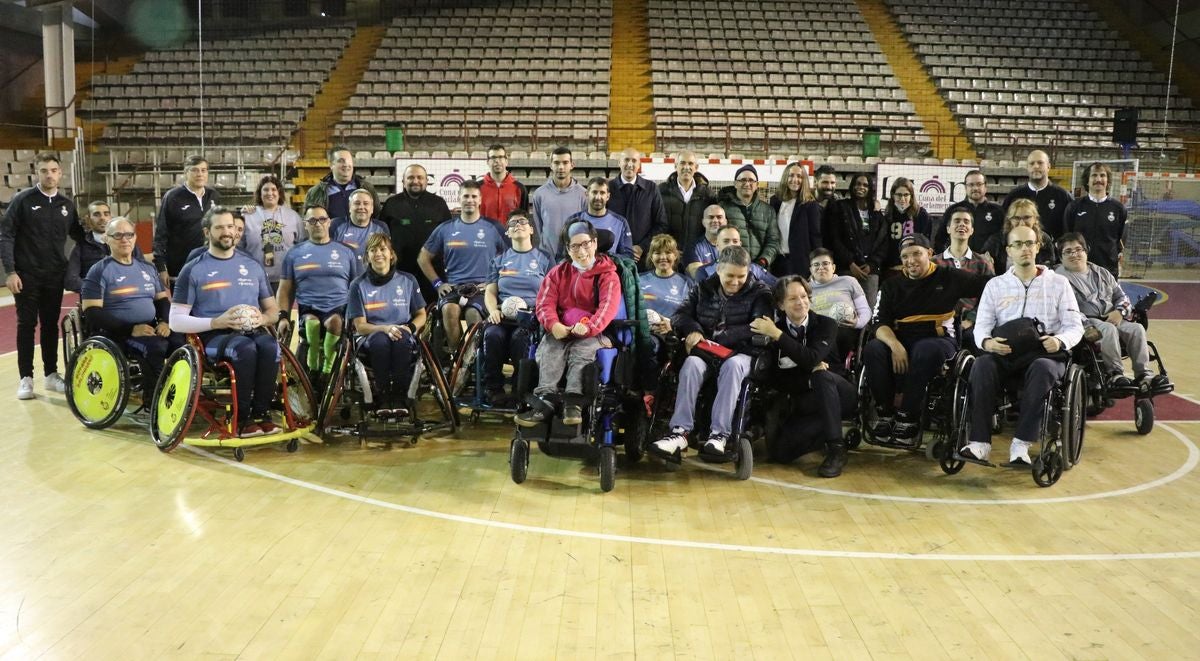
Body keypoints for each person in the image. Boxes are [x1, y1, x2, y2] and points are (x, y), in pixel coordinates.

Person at [965, 225, 1083, 464]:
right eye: (1017, 244)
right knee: (981, 366)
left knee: (1042, 368)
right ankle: (979, 444)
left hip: (1045, 355)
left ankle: (1021, 445)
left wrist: (1059, 340)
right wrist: (987, 342)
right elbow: (982, 326)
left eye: (1029, 243)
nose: (1024, 249)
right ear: (1008, 250)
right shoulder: (995, 285)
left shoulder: (1059, 283)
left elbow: (1075, 327)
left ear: (1038, 246)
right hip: (1006, 354)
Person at [863, 233, 990, 446]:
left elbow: (989, 285)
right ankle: (885, 413)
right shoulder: (891, 285)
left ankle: (908, 416)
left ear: (929, 254)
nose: (911, 261)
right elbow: (878, 322)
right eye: (905, 256)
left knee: (924, 349)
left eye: (917, 254)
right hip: (900, 339)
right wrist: (895, 346)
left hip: (938, 339)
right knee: (873, 349)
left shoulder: (949, 276)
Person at [649, 245, 773, 460]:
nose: (735, 282)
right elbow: (680, 316)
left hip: (743, 353)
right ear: (718, 269)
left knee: (732, 366)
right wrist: (694, 330)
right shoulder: (702, 288)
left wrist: (720, 338)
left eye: (741, 276)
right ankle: (680, 432)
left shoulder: (760, 292)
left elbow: (759, 326)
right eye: (730, 276)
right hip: (707, 352)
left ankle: (720, 434)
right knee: (691, 364)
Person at [169, 206, 281, 437]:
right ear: (207, 232)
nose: (227, 232)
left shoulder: (252, 266)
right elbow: (175, 321)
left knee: (270, 346)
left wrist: (263, 318)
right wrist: (216, 322)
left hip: (251, 331)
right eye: (219, 227)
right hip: (213, 336)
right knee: (245, 349)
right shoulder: (193, 269)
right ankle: (241, 418)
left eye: (230, 226)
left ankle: (261, 414)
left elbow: (273, 310)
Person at [516, 221, 623, 427]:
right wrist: (553, 325)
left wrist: (589, 327)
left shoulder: (608, 275)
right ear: (567, 248)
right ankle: (545, 400)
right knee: (550, 347)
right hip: (562, 330)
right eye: (574, 246)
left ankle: (573, 403)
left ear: (595, 243)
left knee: (582, 349)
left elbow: (607, 308)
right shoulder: (557, 273)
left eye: (585, 244)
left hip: (595, 333)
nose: (581, 251)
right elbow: (544, 304)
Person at [751, 276, 857, 477]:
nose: (800, 302)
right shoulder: (774, 331)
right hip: (806, 402)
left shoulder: (826, 325)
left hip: (840, 393)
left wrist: (778, 336)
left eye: (804, 296)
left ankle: (837, 449)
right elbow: (775, 379)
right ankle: (829, 432)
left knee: (822, 376)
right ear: (781, 304)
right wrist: (807, 377)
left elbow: (811, 358)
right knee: (780, 453)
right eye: (792, 299)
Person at [1, 152, 78, 399]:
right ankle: (26, 378)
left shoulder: (67, 205)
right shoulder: (23, 200)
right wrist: (10, 271)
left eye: (53, 170)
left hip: (55, 276)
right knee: (26, 325)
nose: (49, 175)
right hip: (27, 276)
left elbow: (80, 236)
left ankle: (51, 375)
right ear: (38, 173)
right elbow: (6, 235)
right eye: (44, 170)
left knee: (49, 326)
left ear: (60, 173)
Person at [80, 217, 178, 403]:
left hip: (149, 328)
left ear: (135, 238)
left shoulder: (147, 268)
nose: (124, 239)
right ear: (106, 239)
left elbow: (162, 301)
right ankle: (155, 401)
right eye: (117, 235)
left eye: (128, 235)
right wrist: (131, 329)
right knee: (155, 347)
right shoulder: (99, 270)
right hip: (118, 333)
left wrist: (165, 321)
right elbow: (92, 312)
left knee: (180, 341)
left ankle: (180, 393)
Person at [1055, 232, 1168, 391]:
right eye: (1068, 251)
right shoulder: (1058, 279)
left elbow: (1122, 297)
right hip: (1086, 320)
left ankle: (1144, 375)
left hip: (1113, 316)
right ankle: (1115, 374)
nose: (1074, 254)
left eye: (1078, 249)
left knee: (1137, 329)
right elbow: (1067, 309)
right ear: (1061, 257)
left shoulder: (1102, 273)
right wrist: (1087, 326)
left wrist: (1120, 312)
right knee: (1108, 330)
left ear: (1086, 251)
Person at [418, 179, 507, 353]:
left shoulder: (493, 228)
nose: (470, 200)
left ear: (480, 200)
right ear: (459, 198)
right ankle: (456, 358)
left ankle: (473, 360)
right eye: (466, 196)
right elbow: (423, 258)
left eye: (474, 196)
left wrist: (493, 283)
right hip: (454, 287)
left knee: (473, 314)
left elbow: (509, 259)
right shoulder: (445, 228)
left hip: (482, 288)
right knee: (449, 310)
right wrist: (437, 283)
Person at [347, 233, 428, 417]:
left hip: (402, 332)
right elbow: (360, 326)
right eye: (373, 250)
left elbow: (421, 314)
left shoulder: (408, 280)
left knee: (401, 340)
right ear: (367, 256)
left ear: (391, 254)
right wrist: (384, 328)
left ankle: (400, 397)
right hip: (370, 335)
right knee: (381, 342)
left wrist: (411, 328)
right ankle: (383, 396)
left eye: (383, 249)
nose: (378, 254)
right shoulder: (357, 285)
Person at [275, 205, 360, 379]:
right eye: (312, 220)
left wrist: (358, 316)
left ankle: (327, 373)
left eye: (322, 219)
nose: (318, 224)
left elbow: (357, 288)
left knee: (335, 322)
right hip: (309, 308)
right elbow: (284, 290)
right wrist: (283, 316)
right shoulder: (294, 254)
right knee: (312, 324)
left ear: (329, 222)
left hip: (338, 308)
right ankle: (312, 368)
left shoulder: (346, 252)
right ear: (305, 225)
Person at [481, 209, 553, 405]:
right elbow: (490, 292)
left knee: (520, 339)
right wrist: (493, 310)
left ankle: (519, 390)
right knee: (492, 335)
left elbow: (552, 293)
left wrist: (540, 313)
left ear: (531, 229)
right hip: (503, 316)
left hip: (530, 317)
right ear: (507, 233)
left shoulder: (545, 258)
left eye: (522, 222)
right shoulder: (499, 259)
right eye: (512, 224)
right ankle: (493, 389)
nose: (518, 225)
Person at [380, 163, 452, 304]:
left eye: (420, 177)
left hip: (432, 273)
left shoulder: (439, 204)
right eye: (411, 177)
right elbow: (382, 236)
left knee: (432, 311)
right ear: (403, 181)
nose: (416, 181)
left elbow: (448, 236)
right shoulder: (391, 204)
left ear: (427, 181)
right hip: (400, 271)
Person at [932, 207, 995, 351]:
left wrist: (971, 320)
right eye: (957, 221)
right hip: (941, 324)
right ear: (948, 229)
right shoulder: (933, 263)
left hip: (973, 325)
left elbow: (991, 298)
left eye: (966, 222)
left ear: (972, 230)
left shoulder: (983, 263)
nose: (962, 224)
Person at [153, 155, 219, 288]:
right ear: (185, 173)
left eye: (203, 170)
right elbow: (161, 233)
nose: (199, 174)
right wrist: (161, 267)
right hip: (180, 267)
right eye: (194, 170)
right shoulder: (172, 197)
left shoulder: (214, 195)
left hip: (210, 265)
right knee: (183, 308)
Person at [822, 172, 886, 308]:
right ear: (852, 186)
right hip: (846, 269)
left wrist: (872, 264)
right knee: (844, 312)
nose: (861, 187)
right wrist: (850, 262)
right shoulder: (840, 207)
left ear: (870, 189)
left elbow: (883, 242)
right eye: (858, 184)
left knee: (867, 312)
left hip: (870, 272)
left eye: (865, 185)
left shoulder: (876, 212)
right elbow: (835, 238)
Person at [807, 248, 871, 375]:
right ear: (810, 270)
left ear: (834, 267)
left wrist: (856, 323)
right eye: (816, 264)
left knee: (832, 333)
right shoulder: (805, 288)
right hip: (816, 333)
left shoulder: (848, 281)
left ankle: (835, 373)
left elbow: (865, 310)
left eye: (825, 263)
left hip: (845, 329)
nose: (821, 267)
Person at [240, 175, 304, 291]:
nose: (270, 193)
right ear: (260, 193)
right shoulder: (248, 216)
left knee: (282, 309)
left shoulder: (293, 216)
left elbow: (303, 245)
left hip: (286, 278)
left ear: (279, 193)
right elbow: (239, 247)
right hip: (254, 278)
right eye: (265, 190)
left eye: (273, 189)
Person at [67, 200, 146, 293]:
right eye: (97, 214)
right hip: (94, 301)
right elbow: (71, 281)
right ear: (88, 219)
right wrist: (97, 290)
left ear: (111, 217)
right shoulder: (80, 247)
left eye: (106, 214)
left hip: (125, 298)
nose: (102, 218)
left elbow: (143, 272)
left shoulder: (127, 243)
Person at [1064, 162, 1127, 277]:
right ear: (1087, 181)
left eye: (1102, 175)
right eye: (1094, 175)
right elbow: (1067, 236)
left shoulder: (1118, 208)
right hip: (1078, 269)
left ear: (1108, 181)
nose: (1098, 179)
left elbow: (1119, 239)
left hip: (1108, 270)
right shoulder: (1074, 207)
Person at [607, 148, 667, 261]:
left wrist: (642, 247)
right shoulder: (607, 189)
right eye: (626, 160)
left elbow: (661, 224)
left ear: (639, 165)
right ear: (619, 163)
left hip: (643, 259)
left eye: (634, 161)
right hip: (614, 258)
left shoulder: (651, 189)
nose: (630, 164)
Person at [530, 146, 587, 260]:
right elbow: (539, 227)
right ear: (551, 165)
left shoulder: (583, 194)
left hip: (574, 258)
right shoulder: (539, 194)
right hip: (547, 257)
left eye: (565, 162)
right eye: (556, 163)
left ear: (572, 165)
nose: (561, 167)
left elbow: (585, 228)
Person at [719, 164, 780, 268]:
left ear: (757, 185)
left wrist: (763, 261)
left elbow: (773, 240)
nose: (747, 183)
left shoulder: (768, 210)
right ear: (735, 184)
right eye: (743, 180)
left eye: (751, 180)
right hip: (731, 266)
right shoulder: (723, 208)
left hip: (760, 268)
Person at [1002, 149, 1073, 239]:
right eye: (1032, 163)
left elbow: (1070, 229)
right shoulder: (1014, 196)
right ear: (1027, 168)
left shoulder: (1063, 196)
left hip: (1053, 251)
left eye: (1040, 163)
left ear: (1048, 166)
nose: (1036, 166)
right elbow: (1004, 226)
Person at [769, 161, 822, 277]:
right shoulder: (775, 201)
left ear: (804, 180)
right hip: (778, 261)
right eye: (791, 175)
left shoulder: (810, 205)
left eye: (799, 176)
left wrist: (816, 264)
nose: (795, 179)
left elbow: (815, 236)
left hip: (800, 263)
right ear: (785, 178)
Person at [562, 177, 634, 260]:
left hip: (609, 270)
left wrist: (606, 258)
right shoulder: (573, 221)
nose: (598, 197)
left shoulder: (620, 222)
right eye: (594, 192)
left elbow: (628, 256)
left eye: (602, 193)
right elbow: (564, 253)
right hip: (580, 271)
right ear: (587, 194)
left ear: (608, 196)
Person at [303, 145, 378, 222]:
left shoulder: (367, 188)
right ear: (331, 165)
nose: (346, 164)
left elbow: (376, 216)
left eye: (349, 161)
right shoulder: (316, 193)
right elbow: (309, 221)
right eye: (341, 161)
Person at [658, 150, 713, 252]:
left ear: (696, 168)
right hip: (668, 252)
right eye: (682, 163)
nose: (686, 167)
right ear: (675, 166)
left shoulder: (707, 194)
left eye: (690, 164)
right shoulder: (661, 191)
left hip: (697, 253)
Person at [981, 199, 1056, 273]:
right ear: (1009, 220)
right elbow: (985, 266)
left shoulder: (1044, 239)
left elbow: (1048, 268)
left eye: (1027, 217)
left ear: (1035, 219)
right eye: (1016, 218)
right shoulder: (995, 241)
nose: (1022, 223)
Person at [943, 170, 1003, 254]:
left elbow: (1003, 239)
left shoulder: (998, 211)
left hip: (990, 263)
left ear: (985, 187)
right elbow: (940, 239)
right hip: (958, 263)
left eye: (979, 184)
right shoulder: (953, 210)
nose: (975, 188)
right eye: (971, 185)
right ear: (965, 187)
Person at [693, 226, 778, 286]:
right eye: (726, 241)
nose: (731, 244)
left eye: (735, 241)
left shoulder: (754, 268)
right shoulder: (704, 271)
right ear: (717, 245)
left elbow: (779, 286)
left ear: (740, 244)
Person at [880, 177, 931, 277]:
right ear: (892, 195)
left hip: (914, 268)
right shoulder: (887, 216)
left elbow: (925, 244)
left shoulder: (921, 215)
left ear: (911, 196)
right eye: (899, 195)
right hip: (891, 269)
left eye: (906, 195)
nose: (902, 199)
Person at [330, 189, 389, 267]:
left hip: (372, 278)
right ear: (350, 207)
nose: (361, 207)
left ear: (372, 209)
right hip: (343, 276)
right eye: (357, 203)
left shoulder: (381, 227)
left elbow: (386, 257)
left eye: (366, 203)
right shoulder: (335, 225)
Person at [479, 144, 528, 230]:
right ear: (487, 162)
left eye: (501, 157)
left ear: (506, 161)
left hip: (511, 240)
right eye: (493, 157)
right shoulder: (477, 188)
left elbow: (524, 221)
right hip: (484, 239)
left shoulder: (520, 189)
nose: (497, 161)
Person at [683, 204, 727, 278]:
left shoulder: (732, 245)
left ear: (725, 221)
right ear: (703, 222)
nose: (715, 220)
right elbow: (697, 275)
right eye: (711, 217)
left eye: (719, 217)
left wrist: (706, 268)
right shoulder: (693, 246)